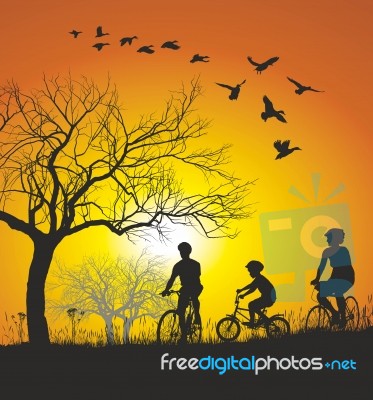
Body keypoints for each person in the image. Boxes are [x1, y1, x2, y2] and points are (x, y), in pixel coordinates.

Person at [310, 228, 355, 328]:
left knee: (338, 291)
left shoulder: (344, 250)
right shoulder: (326, 252)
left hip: (347, 277)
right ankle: (334, 313)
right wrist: (317, 279)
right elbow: (322, 266)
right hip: (335, 277)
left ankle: (343, 317)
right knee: (320, 295)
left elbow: (344, 267)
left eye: (328, 238)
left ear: (334, 238)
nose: (327, 240)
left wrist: (328, 283)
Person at [161, 242, 203, 341]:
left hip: (195, 287)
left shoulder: (195, 264)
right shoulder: (178, 266)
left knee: (194, 296)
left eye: (183, 251)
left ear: (188, 252)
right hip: (185, 288)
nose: (181, 253)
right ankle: (184, 335)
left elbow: (195, 278)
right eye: (180, 251)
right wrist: (166, 290)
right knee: (180, 312)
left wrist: (187, 287)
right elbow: (172, 279)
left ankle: (196, 315)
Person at [236, 260, 276, 327]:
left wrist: (243, 293)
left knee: (252, 305)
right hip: (267, 298)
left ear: (255, 270)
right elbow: (251, 287)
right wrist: (242, 291)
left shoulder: (260, 279)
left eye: (250, 271)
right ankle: (262, 320)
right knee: (253, 306)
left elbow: (251, 288)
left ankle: (258, 321)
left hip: (268, 299)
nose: (249, 273)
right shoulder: (259, 278)